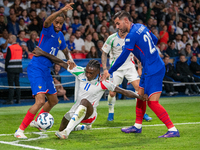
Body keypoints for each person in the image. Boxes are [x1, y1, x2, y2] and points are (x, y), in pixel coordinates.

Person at [31, 47, 148, 139]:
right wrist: (43, 53)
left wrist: (139, 96)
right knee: (63, 123)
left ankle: (67, 132)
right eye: (87, 71)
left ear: (98, 72)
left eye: (91, 73)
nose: (87, 74)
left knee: (84, 103)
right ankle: (79, 127)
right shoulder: (81, 72)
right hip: (75, 110)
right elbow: (60, 62)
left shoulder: (104, 83)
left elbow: (123, 91)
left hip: (90, 114)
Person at [102, 11, 180, 138]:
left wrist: (109, 71)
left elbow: (123, 57)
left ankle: (172, 129)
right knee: (140, 95)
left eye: (118, 23)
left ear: (126, 20)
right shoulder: (140, 26)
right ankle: (137, 126)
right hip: (150, 65)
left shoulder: (130, 36)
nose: (117, 27)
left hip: (153, 68)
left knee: (152, 102)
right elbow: (154, 39)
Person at [14, 3, 74, 139]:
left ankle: (38, 122)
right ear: (53, 21)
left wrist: (70, 59)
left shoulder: (60, 37)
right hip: (36, 68)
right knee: (40, 101)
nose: (58, 25)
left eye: (60, 23)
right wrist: (61, 10)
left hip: (46, 70)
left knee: (53, 100)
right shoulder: (48, 30)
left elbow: (65, 50)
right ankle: (20, 130)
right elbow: (47, 21)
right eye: (56, 22)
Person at [101, 30, 152, 122]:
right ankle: (111, 112)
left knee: (139, 89)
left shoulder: (132, 37)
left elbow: (138, 53)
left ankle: (142, 113)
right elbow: (104, 53)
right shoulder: (111, 38)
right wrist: (105, 69)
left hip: (130, 67)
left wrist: (139, 67)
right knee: (112, 93)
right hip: (115, 69)